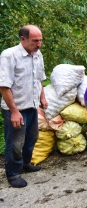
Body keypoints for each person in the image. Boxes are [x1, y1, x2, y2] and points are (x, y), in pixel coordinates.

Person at [0, 25, 48, 188]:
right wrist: (14, 111)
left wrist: (42, 97)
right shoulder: (9, 56)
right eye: (35, 41)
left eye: (40, 40)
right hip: (16, 108)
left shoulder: (37, 54)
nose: (39, 44)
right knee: (15, 142)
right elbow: (4, 86)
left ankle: (25, 164)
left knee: (32, 138)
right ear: (23, 39)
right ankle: (13, 174)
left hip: (32, 106)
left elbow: (39, 78)